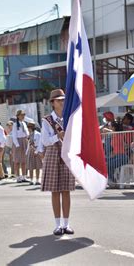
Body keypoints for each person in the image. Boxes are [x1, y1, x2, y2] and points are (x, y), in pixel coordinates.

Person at [41, 89, 75, 236]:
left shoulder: (70, 117)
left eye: (63, 99)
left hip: (67, 154)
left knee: (66, 190)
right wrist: (58, 136)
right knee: (55, 191)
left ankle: (66, 224)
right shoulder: (47, 120)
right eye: (59, 100)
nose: (62, 102)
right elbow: (45, 141)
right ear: (53, 103)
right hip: (53, 154)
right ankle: (57, 225)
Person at [12, 110, 29, 183]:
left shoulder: (24, 123)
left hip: (24, 141)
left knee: (24, 161)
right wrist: (17, 144)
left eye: (24, 115)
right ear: (18, 116)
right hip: (18, 142)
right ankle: (18, 177)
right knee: (17, 161)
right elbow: (14, 135)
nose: (23, 116)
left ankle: (24, 176)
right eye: (21, 115)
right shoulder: (15, 124)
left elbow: (27, 133)